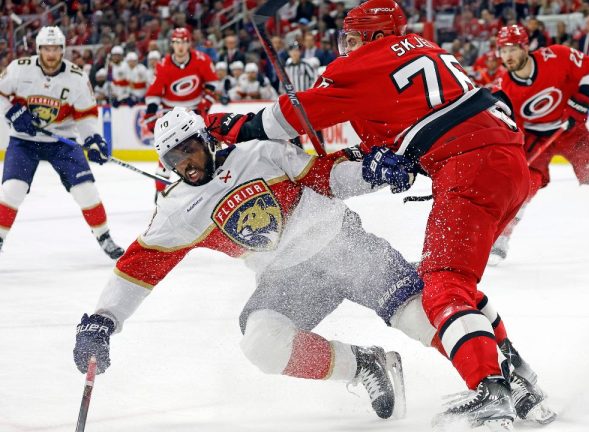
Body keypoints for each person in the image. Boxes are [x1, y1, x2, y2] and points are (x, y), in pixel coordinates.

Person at [202, 1, 555, 428]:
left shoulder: (367, 61)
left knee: (444, 285)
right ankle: (519, 378)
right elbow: (413, 127)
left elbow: (288, 117)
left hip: (470, 167)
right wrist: (386, 160)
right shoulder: (424, 48)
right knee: (452, 281)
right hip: (507, 164)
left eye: (352, 39)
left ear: (372, 36)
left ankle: (492, 392)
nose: (347, 48)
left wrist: (233, 125)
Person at [72, 107, 540, 422]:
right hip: (286, 279)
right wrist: (101, 321)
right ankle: (367, 365)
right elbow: (138, 267)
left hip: (343, 246)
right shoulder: (178, 210)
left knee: (420, 319)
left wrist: (372, 173)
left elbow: (326, 175)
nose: (187, 164)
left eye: (190, 150)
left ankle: (504, 375)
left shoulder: (259, 151)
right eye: (175, 159)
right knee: (262, 345)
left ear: (205, 139)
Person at [490, 25, 589, 265]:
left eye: (511, 49)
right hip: (535, 136)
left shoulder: (558, 56)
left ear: (525, 47)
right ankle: (501, 239)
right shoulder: (502, 88)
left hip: (570, 129)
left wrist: (581, 102)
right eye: (502, 50)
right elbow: (511, 128)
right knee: (524, 188)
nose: (506, 56)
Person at [0, 26, 124, 259]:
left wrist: (93, 139)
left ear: (63, 50)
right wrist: (13, 113)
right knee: (12, 190)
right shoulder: (19, 69)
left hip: (62, 142)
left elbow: (86, 115)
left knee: (86, 190)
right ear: (38, 49)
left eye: (55, 48)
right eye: (46, 48)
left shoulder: (76, 77)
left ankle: (104, 236)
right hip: (24, 141)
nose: (51, 54)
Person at [142, 27, 219, 201]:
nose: (180, 46)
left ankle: (209, 186)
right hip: (171, 114)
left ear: (189, 43)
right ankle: (160, 195)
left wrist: (203, 107)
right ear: (172, 44)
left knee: (202, 150)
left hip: (194, 112)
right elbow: (154, 92)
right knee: (168, 154)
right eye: (177, 42)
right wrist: (151, 112)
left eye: (183, 42)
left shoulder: (202, 60)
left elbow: (213, 85)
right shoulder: (163, 65)